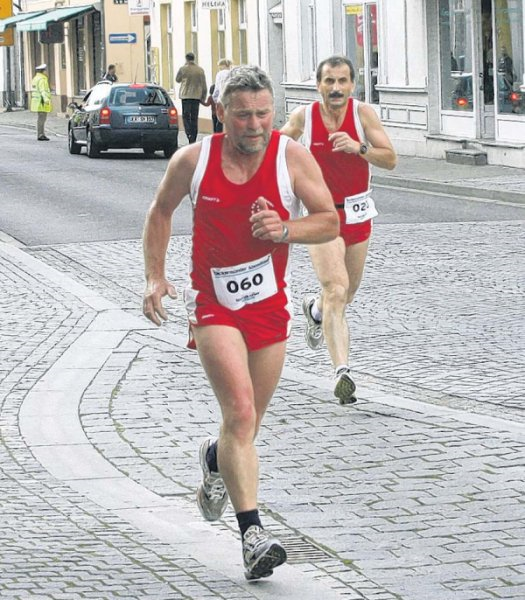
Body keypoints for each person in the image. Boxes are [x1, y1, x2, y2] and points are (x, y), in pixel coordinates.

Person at [142, 66, 338, 580]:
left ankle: (213, 459)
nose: (254, 125)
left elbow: (328, 221)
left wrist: (285, 229)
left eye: (263, 113)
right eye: (243, 114)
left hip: (269, 306)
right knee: (242, 408)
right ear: (220, 112)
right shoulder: (193, 160)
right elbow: (159, 212)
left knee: (244, 426)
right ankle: (252, 535)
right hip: (213, 305)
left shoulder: (291, 157)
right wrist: (155, 278)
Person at [281, 55, 397, 405]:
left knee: (347, 293)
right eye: (328, 81)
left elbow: (390, 159)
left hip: (358, 213)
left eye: (342, 81)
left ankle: (314, 311)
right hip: (322, 216)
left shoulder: (363, 116)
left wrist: (359, 147)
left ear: (352, 85)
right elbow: (275, 146)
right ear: (318, 85)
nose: (335, 88)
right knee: (336, 288)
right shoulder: (305, 117)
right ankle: (342, 371)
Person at [175, 52, 208, 143]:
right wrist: (203, 97)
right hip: (196, 96)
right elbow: (204, 85)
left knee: (186, 116)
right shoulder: (200, 70)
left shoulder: (183, 69)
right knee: (194, 117)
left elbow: (177, 80)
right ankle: (194, 136)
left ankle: (188, 133)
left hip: (186, 96)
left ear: (186, 59)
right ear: (194, 58)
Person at [30, 64, 52, 141]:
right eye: (45, 70)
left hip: (36, 102)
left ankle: (40, 133)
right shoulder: (42, 79)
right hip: (41, 101)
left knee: (40, 118)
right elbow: (43, 91)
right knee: (42, 119)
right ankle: (41, 134)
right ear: (43, 71)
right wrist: (46, 100)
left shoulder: (35, 78)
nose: (47, 72)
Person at [211, 58, 233, 132]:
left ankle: (218, 135)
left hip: (221, 98)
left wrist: (214, 98)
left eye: (219, 66)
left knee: (219, 119)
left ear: (223, 65)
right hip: (231, 98)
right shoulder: (232, 73)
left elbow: (217, 88)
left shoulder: (220, 74)